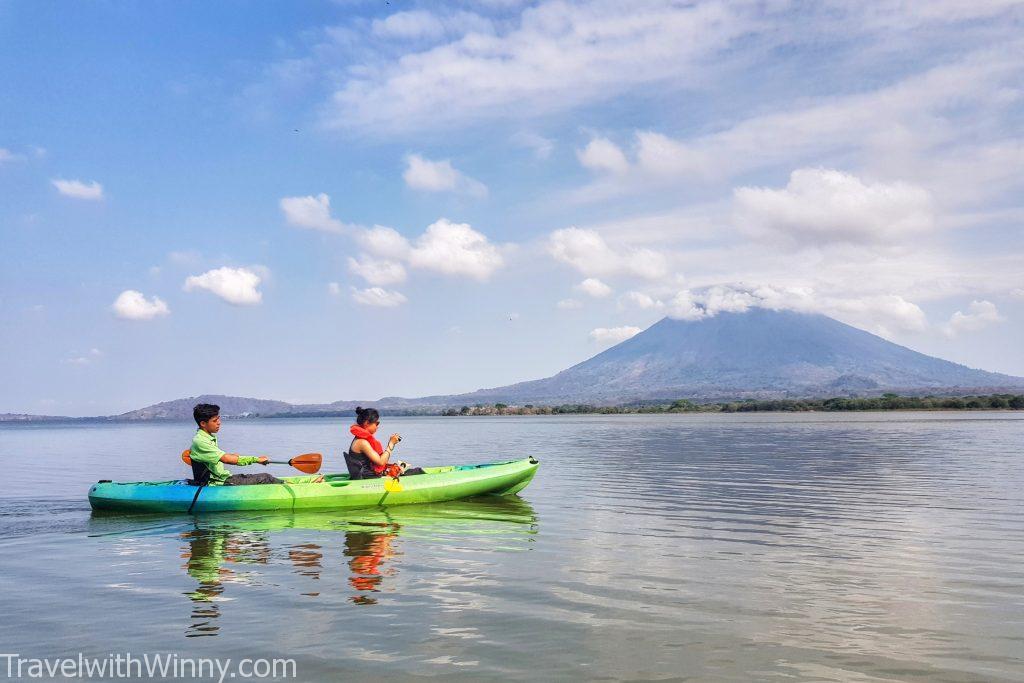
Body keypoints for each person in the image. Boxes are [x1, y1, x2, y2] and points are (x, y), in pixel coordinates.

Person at [188, 403, 283, 486]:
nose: (219, 423)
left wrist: (234, 456)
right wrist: (257, 460)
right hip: (216, 483)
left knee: (265, 477)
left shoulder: (206, 437)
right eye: (215, 421)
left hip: (221, 478)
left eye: (218, 419)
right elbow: (226, 459)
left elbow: (221, 457)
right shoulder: (200, 441)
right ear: (203, 423)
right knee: (266, 477)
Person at [344, 406, 425, 480]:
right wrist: (391, 444)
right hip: (367, 479)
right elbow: (381, 462)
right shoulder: (361, 442)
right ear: (366, 423)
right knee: (418, 472)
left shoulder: (359, 440)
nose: (378, 426)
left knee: (405, 470)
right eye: (377, 423)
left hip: (368, 475)